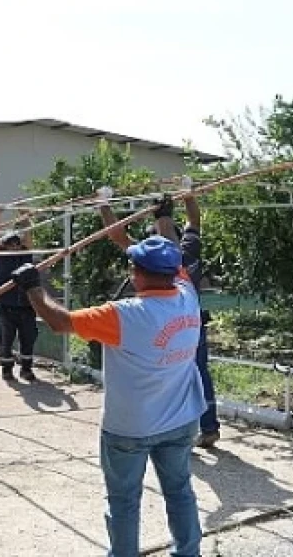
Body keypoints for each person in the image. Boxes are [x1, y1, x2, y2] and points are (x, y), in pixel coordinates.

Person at [8, 235, 205, 557]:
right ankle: (188, 553)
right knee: (180, 491)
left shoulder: (123, 315)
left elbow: (59, 322)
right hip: (181, 419)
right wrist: (165, 217)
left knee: (124, 501)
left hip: (131, 428)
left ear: (135, 273)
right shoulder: (188, 295)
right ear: (173, 271)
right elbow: (169, 253)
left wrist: (33, 286)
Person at [99, 183, 220, 448]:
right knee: (199, 373)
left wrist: (104, 204)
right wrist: (188, 195)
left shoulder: (153, 259)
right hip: (191, 324)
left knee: (164, 376)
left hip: (160, 326)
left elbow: (117, 237)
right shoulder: (190, 247)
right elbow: (194, 220)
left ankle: (170, 429)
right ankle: (208, 427)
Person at [0, 218, 39, 382]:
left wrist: (24, 216)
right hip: (7, 306)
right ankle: (7, 370)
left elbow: (29, 234)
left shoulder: (25, 256)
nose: (14, 246)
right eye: (10, 243)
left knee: (28, 340)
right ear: (4, 245)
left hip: (26, 305)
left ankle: (26, 369)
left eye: (17, 243)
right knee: (6, 341)